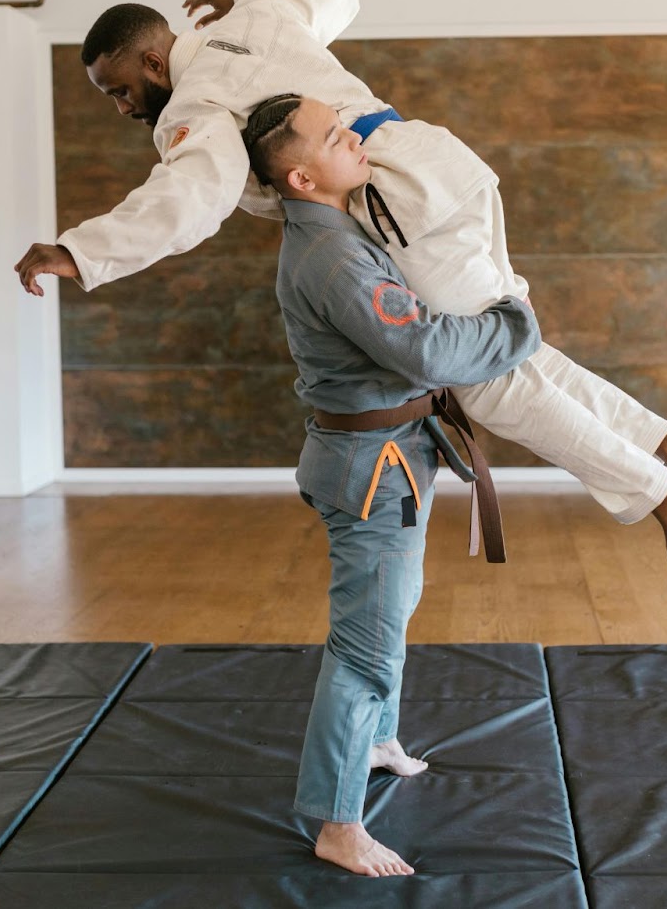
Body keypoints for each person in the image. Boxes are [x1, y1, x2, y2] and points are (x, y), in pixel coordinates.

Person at [14, 0, 667, 607]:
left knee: (481, 377)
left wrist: (79, 252)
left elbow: (192, 196)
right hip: (443, 167)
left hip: (397, 201)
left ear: (153, 59)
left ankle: (661, 494)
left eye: (122, 90)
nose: (125, 107)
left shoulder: (194, 103)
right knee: (510, 352)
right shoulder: (256, 19)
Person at [256, 93, 541, 876]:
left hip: (381, 456)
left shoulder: (336, 228)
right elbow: (421, 348)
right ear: (303, 173)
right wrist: (515, 323)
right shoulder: (333, 256)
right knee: (364, 645)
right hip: (371, 472)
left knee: (390, 612)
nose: (355, 135)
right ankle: (335, 822)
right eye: (334, 133)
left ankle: (375, 739)